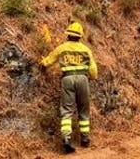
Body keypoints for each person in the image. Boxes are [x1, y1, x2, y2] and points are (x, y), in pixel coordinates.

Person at [40, 21, 98, 153]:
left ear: (68, 35)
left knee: (67, 110)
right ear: (80, 36)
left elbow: (48, 60)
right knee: (84, 109)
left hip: (67, 79)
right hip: (83, 79)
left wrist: (43, 64)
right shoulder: (86, 50)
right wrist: (92, 77)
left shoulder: (62, 48)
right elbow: (93, 70)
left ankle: (66, 139)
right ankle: (85, 139)